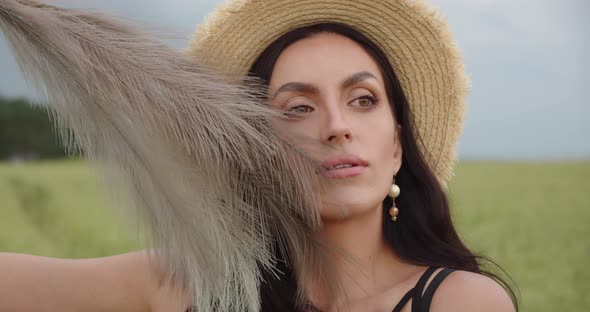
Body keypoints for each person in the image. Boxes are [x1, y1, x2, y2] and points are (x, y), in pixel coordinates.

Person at [0, 0, 518, 311]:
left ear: (399, 142)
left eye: (363, 100)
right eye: (297, 108)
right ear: (251, 149)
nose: (336, 127)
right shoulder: (195, 287)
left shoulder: (461, 303)